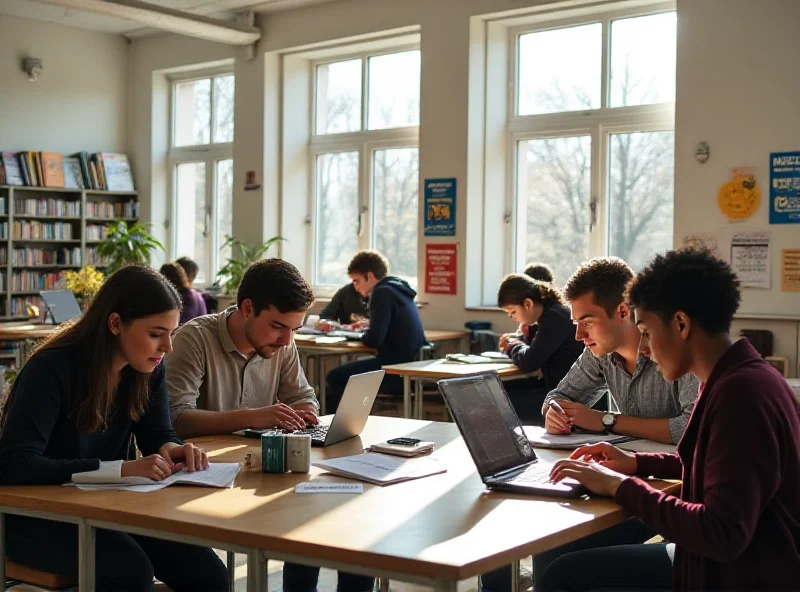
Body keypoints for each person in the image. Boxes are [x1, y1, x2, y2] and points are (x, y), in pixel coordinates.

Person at [545, 248, 800, 592]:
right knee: (567, 564)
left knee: (565, 575)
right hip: (732, 562)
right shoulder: (739, 376)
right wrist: (635, 463)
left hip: (741, 572)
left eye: (647, 332)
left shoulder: (741, 395)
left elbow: (722, 534)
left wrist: (619, 486)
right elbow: (716, 468)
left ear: (680, 324)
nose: (645, 349)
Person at [0, 266, 228, 592]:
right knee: (131, 573)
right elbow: (15, 465)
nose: (168, 347)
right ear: (116, 323)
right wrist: (119, 470)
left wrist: (171, 449)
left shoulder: (148, 368)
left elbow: (157, 433)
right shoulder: (51, 368)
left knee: (210, 575)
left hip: (107, 507)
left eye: (171, 333)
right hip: (32, 516)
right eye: (155, 334)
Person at [482, 257, 699, 592]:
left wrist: (607, 421)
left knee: (559, 555)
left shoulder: (674, 349)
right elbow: (559, 394)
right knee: (545, 539)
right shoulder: (599, 353)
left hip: (671, 488)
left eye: (587, 321)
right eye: (575, 323)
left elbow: (689, 427)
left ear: (624, 312)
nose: (579, 335)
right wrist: (554, 409)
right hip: (629, 472)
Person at [165, 258, 372, 592]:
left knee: (346, 526)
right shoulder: (194, 339)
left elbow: (303, 396)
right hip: (201, 480)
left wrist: (305, 413)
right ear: (248, 308)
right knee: (306, 516)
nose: (287, 339)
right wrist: (251, 416)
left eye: (294, 328)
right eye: (278, 326)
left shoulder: (283, 343)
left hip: (261, 471)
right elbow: (176, 419)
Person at [325, 250, 425, 413]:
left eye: (356, 281)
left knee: (335, 377)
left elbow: (374, 340)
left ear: (369, 276)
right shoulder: (398, 289)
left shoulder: (381, 292)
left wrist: (360, 334)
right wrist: (370, 325)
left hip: (394, 370)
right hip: (410, 366)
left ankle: (339, 429)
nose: (355, 288)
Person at [495, 274, 584, 424]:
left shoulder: (554, 317)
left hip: (565, 397)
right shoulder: (550, 314)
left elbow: (530, 361)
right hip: (555, 388)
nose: (512, 317)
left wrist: (511, 344)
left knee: (495, 402)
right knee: (497, 391)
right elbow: (537, 347)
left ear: (528, 304)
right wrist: (522, 338)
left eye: (513, 311)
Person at [499, 262, 556, 348]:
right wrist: (514, 338)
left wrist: (513, 345)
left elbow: (533, 355)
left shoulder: (550, 317)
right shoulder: (529, 314)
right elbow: (524, 339)